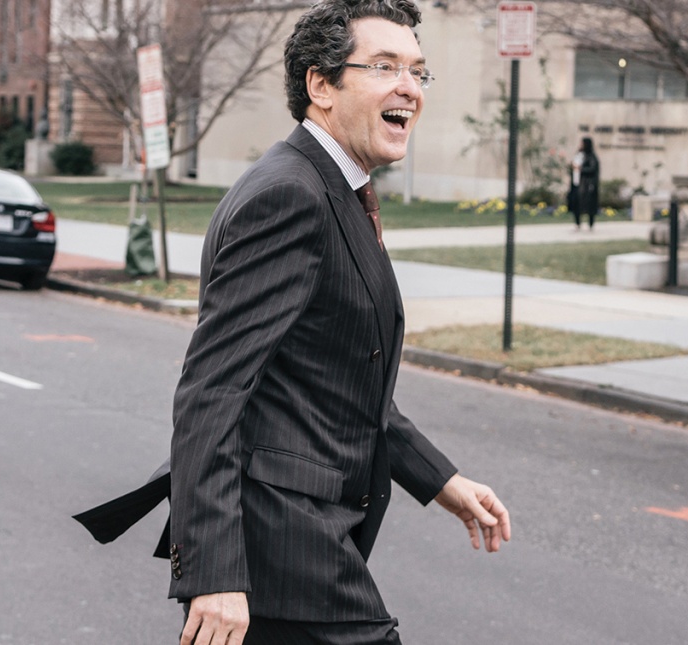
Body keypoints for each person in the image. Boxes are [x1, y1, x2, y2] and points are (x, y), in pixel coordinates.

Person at [74, 2, 511, 643]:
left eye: (418, 71)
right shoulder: (291, 196)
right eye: (384, 66)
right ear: (320, 85)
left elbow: (333, 368)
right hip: (278, 548)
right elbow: (212, 391)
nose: (409, 88)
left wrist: (438, 479)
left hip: (302, 542)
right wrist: (215, 574)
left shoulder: (335, 186)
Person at [570, 136, 600, 230]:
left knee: (589, 205)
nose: (580, 145)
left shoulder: (591, 156)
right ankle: (577, 223)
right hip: (576, 183)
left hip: (587, 186)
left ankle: (591, 224)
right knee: (576, 204)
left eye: (582, 143)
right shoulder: (579, 155)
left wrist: (580, 169)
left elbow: (592, 169)